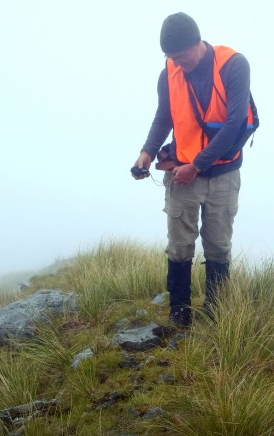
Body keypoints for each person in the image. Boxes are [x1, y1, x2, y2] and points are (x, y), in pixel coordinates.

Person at [131, 12, 259, 327]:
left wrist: (197, 165)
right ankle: (180, 310)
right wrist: (146, 153)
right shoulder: (170, 71)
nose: (177, 62)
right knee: (179, 243)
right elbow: (165, 116)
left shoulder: (234, 65)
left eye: (181, 55)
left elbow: (234, 124)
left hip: (223, 173)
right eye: (170, 57)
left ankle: (216, 310)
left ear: (197, 42)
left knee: (218, 243)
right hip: (182, 173)